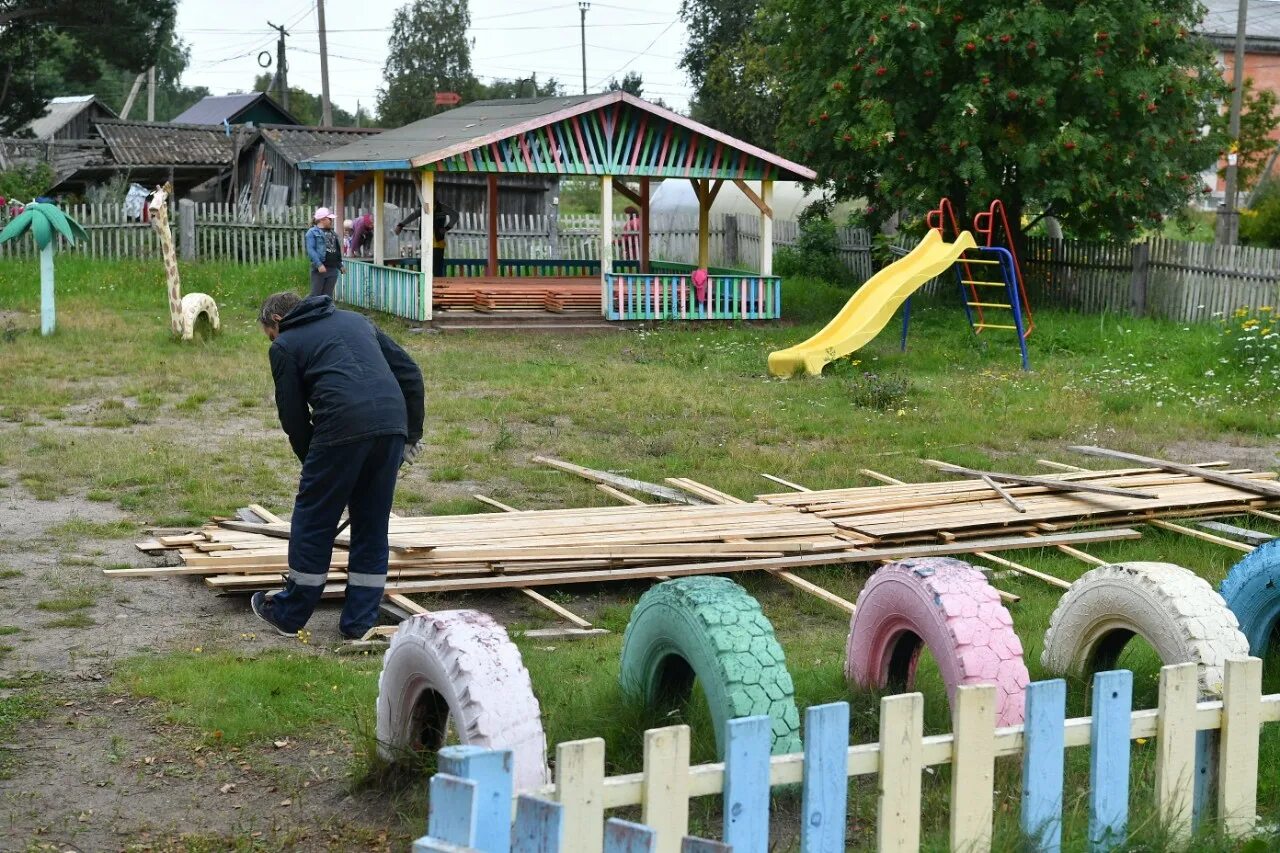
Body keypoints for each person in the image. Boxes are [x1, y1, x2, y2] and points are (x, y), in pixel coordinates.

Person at [251, 291, 425, 640]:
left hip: (341, 427)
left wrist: (312, 464)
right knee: (372, 524)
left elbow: (294, 418)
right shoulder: (357, 321)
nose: (272, 340)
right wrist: (409, 435)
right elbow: (410, 373)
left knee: (314, 521)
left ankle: (289, 614)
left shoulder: (284, 347)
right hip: (391, 424)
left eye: (269, 333)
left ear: (277, 322)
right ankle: (359, 622)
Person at [395, 201, 456, 276]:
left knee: (437, 267)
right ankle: (427, 284)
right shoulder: (424, 208)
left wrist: (447, 228)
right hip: (425, 243)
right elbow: (412, 216)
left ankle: (438, 284)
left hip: (438, 243)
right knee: (425, 267)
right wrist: (401, 225)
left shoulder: (442, 208)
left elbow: (455, 215)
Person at [305, 207, 344, 297]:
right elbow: (311, 250)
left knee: (327, 295)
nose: (331, 221)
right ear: (322, 219)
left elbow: (336, 251)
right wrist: (319, 264)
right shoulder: (312, 232)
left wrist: (340, 265)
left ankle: (325, 311)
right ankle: (312, 310)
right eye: (329, 219)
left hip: (333, 269)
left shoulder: (333, 233)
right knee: (316, 294)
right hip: (320, 269)